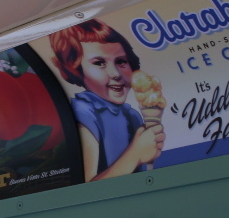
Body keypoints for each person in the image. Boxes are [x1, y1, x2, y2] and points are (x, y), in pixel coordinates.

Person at [50, 20, 164, 181]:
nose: (115, 73)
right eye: (99, 63)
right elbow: (88, 188)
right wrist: (135, 155)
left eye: (121, 61)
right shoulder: (83, 113)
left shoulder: (132, 116)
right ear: (74, 69)